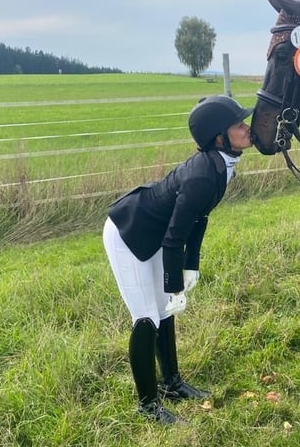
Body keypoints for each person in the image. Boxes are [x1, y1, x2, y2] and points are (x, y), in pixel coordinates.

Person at [102, 95, 253, 424]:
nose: (247, 128)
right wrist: (175, 287)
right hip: (129, 233)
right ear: (219, 138)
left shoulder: (221, 165)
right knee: (146, 317)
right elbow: (174, 238)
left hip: (155, 233)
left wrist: (191, 267)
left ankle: (171, 383)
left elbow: (198, 220)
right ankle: (147, 406)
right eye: (239, 124)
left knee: (163, 311)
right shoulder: (202, 176)